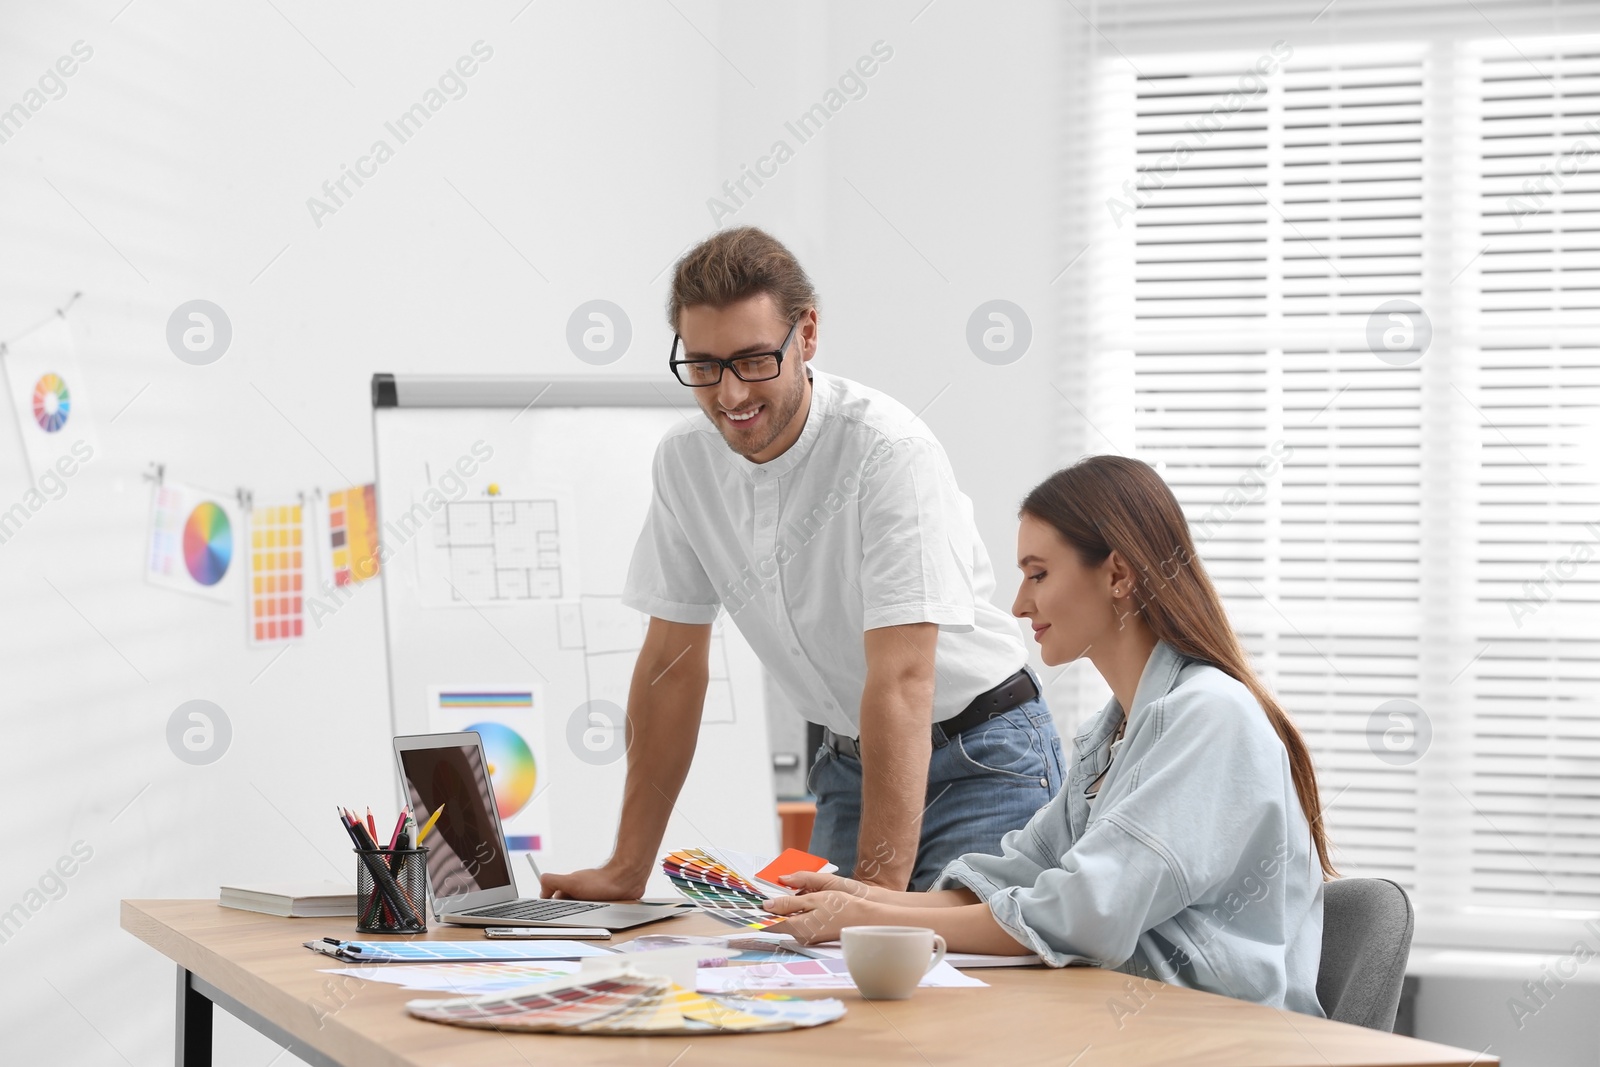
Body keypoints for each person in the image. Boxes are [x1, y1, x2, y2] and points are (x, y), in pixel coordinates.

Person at [540, 227, 1065, 898]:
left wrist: (874, 897)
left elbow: (904, 679)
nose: (729, 395)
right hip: (848, 765)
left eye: (754, 360)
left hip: (983, 755)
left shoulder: (887, 452)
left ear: (807, 334)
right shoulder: (685, 460)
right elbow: (670, 665)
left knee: (949, 986)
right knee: (828, 982)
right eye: (703, 365)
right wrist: (626, 869)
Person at [764, 455, 1331, 1016]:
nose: (1018, 604)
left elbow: (1088, 915)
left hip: (1212, 1036)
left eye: (1038, 574)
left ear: (1117, 574)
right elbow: (1025, 869)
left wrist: (875, 918)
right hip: (1131, 1018)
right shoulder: (1114, 732)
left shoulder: (1210, 716)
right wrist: (865, 897)